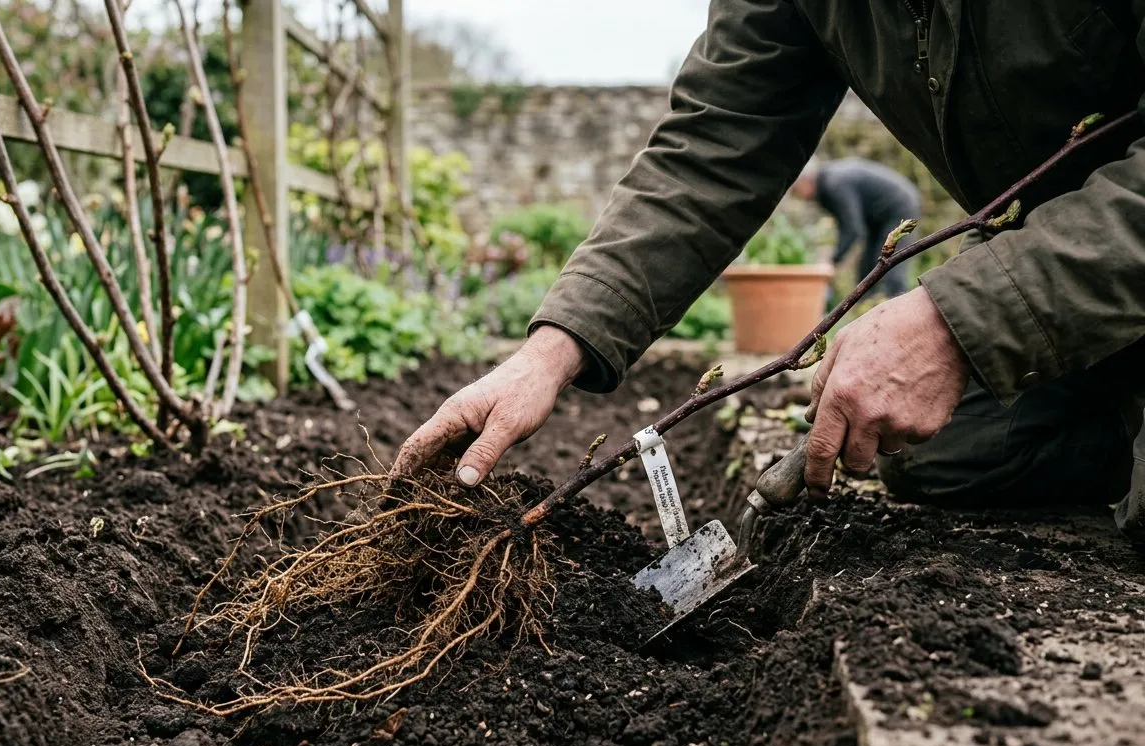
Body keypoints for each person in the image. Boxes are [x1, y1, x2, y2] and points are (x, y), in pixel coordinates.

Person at [394, 1, 1145, 540]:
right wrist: (549, 352)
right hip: (1071, 279)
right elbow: (713, 147)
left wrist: (963, 320)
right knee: (943, 455)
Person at [789, 157, 921, 298]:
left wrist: (832, 260)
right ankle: (868, 309)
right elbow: (850, 225)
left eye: (795, 189)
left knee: (892, 270)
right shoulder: (828, 183)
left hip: (898, 208)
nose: (796, 194)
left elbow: (852, 229)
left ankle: (898, 311)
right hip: (877, 218)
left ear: (805, 179)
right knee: (868, 272)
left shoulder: (833, 184)